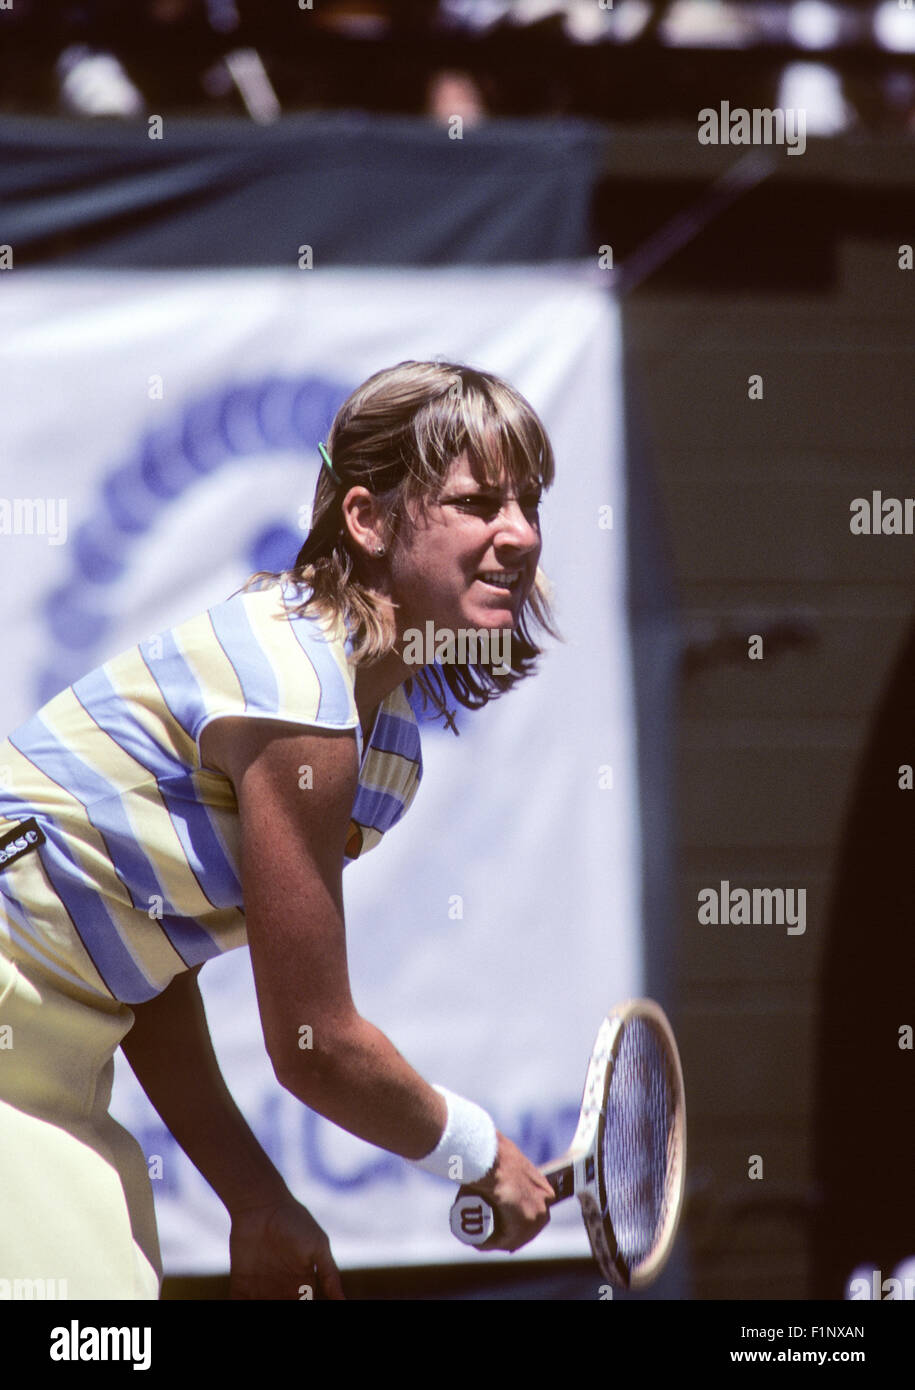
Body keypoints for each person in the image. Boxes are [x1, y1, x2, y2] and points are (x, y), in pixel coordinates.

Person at [0, 359, 559, 1300]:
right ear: (366, 519)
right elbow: (316, 1045)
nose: (518, 535)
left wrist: (255, 1199)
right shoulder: (294, 691)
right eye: (474, 502)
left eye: (529, 503)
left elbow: (149, 965)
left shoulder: (383, 760)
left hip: (52, 1076)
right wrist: (475, 1151)